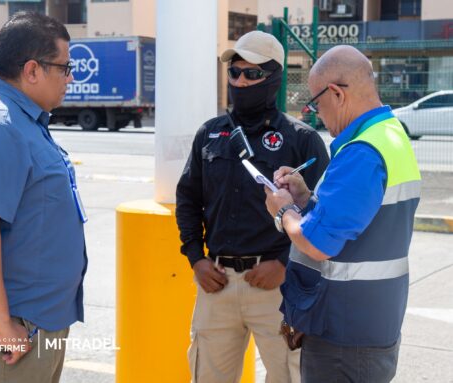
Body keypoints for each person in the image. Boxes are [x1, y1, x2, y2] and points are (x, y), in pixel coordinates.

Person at [175, 30, 329, 383]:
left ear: (273, 77)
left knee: (290, 377)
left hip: (277, 287)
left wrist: (285, 265)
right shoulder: (210, 134)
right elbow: (188, 199)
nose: (240, 81)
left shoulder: (301, 139)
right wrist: (196, 258)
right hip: (218, 283)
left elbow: (322, 215)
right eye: (234, 72)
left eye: (252, 74)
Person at [265, 45, 421, 383]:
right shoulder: (389, 135)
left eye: (316, 104)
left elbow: (318, 243)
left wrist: (284, 212)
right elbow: (358, 219)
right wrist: (306, 196)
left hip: (344, 338)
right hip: (368, 325)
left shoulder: (361, 152)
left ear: (336, 93)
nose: (317, 114)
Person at [0, 12, 87, 382]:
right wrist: (2, 325)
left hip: (33, 321)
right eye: (65, 67)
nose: (70, 77)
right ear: (32, 70)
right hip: (12, 330)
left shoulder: (23, 120)